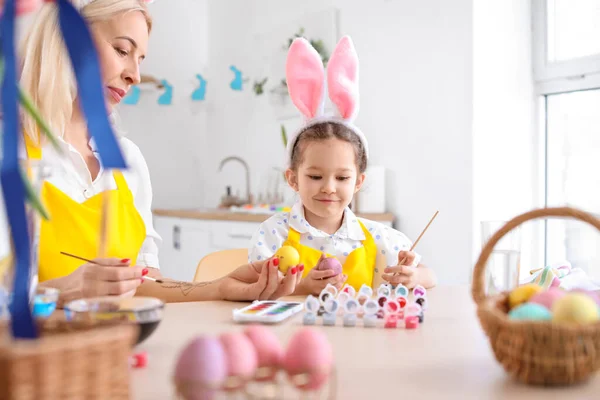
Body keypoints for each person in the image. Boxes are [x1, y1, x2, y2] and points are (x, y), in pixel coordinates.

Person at [2, 0, 302, 306]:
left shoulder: (127, 161)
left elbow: (145, 284)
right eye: (122, 50)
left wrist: (219, 287)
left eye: (140, 59)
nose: (134, 75)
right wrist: (65, 291)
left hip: (112, 347)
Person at [249, 36, 436, 295]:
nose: (328, 187)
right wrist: (302, 286)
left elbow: (430, 275)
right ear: (293, 179)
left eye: (342, 178)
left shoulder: (378, 237)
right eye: (315, 176)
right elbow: (253, 290)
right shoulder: (273, 234)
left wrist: (413, 276)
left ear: (358, 181)